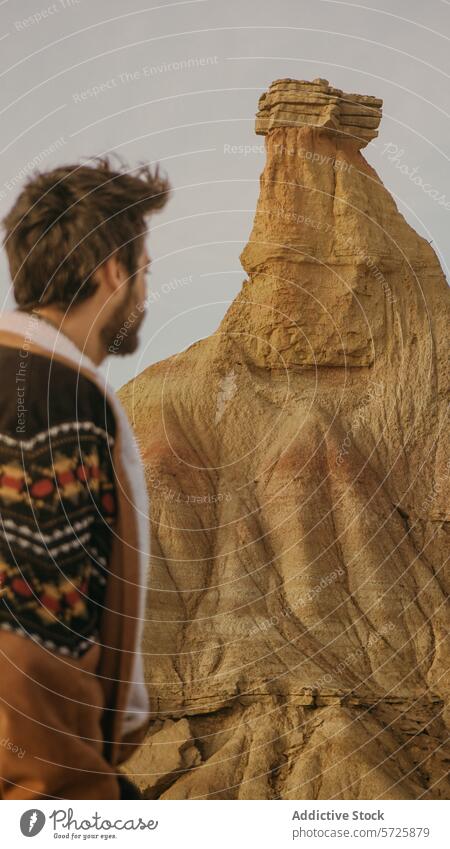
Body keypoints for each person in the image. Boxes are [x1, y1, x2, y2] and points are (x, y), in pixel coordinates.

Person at [0, 156, 170, 799]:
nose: (146, 295)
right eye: (144, 272)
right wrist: (65, 796)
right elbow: (29, 641)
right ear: (112, 271)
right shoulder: (53, 399)